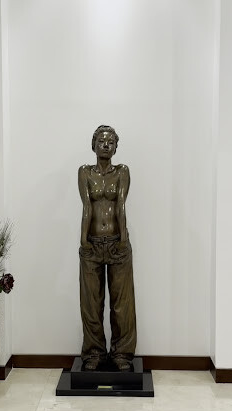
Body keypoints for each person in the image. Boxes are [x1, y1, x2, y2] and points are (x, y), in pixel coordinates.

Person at [78, 125, 137, 371]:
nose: (106, 144)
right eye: (101, 141)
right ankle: (94, 353)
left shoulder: (122, 171)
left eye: (111, 141)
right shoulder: (85, 172)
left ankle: (122, 353)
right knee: (91, 303)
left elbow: (121, 205)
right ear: (93, 145)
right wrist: (83, 241)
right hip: (92, 243)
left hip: (117, 243)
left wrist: (123, 240)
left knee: (122, 304)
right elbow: (87, 207)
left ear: (115, 147)